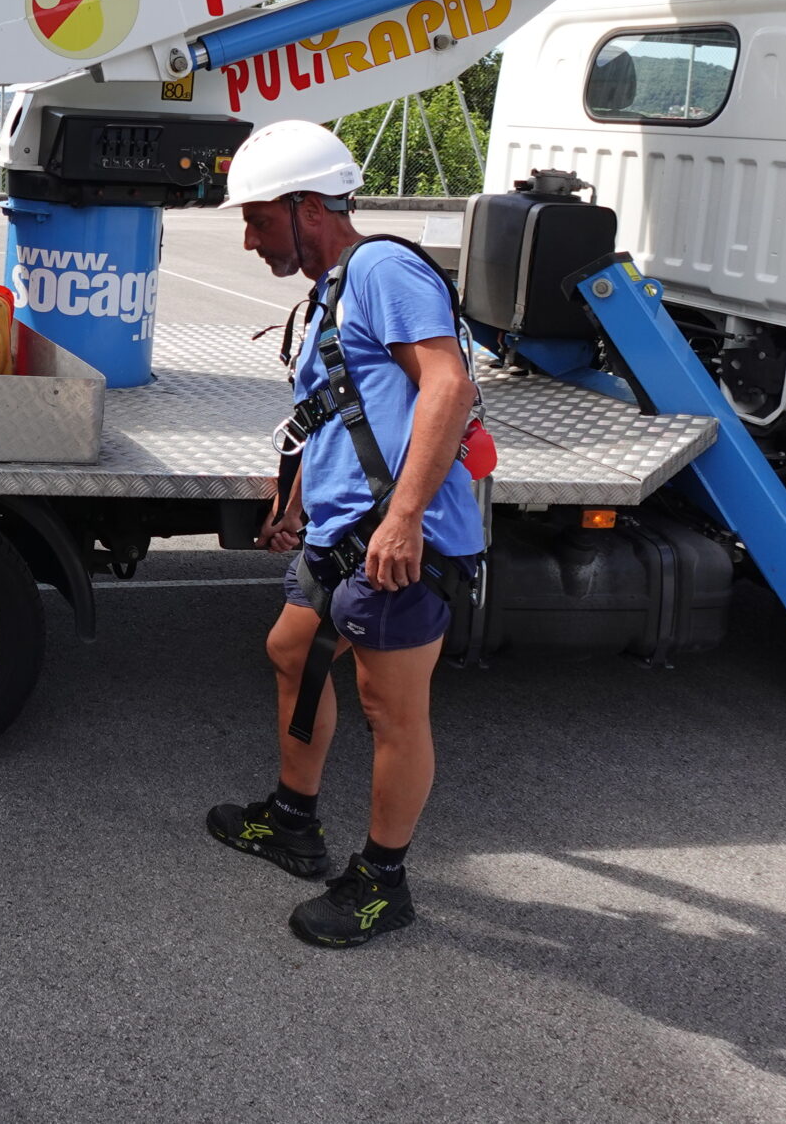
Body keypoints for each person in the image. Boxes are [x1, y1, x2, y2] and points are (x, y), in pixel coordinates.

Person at [203, 119, 483, 949]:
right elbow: (334, 408)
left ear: (308, 207)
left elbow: (448, 386)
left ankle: (383, 883)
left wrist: (404, 518)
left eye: (259, 220)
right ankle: (294, 821)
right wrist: (294, 500)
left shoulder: (383, 270)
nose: (250, 239)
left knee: (390, 709)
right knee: (292, 650)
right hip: (344, 529)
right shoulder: (333, 288)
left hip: (400, 536)